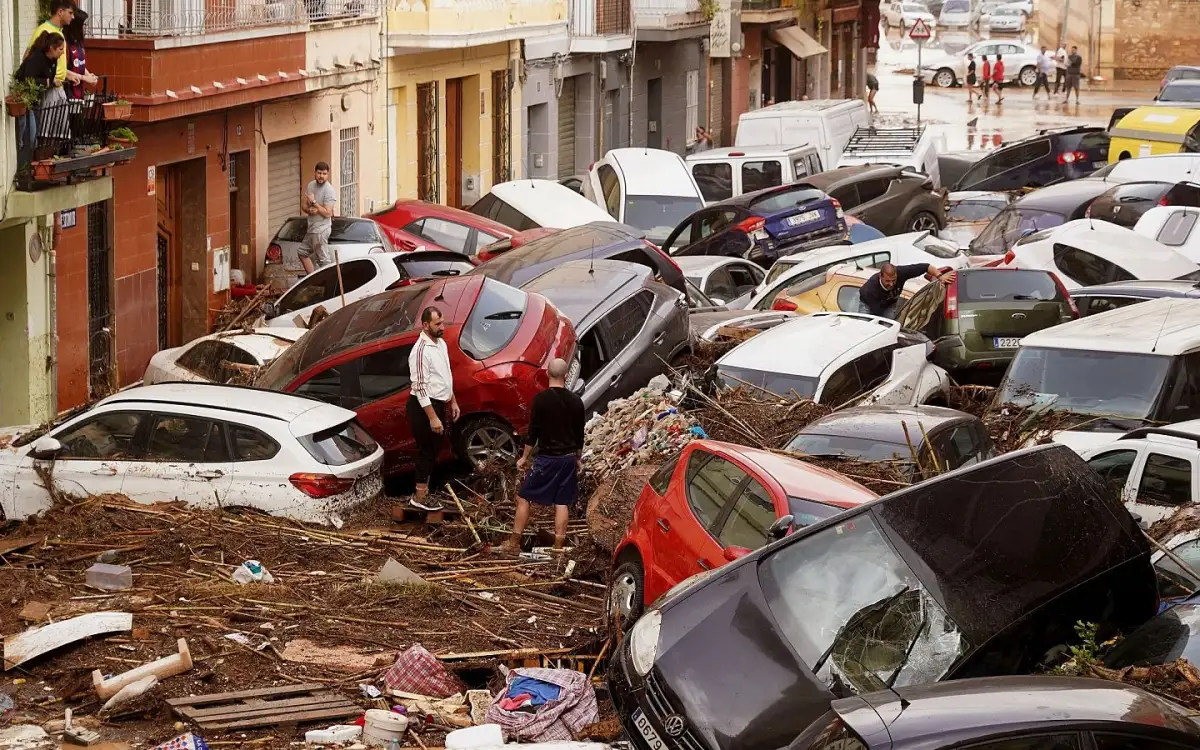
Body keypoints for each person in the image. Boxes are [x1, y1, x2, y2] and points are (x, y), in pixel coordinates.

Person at [499, 358, 585, 554]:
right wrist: (578, 458)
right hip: (568, 459)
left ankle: (514, 542)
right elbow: (579, 434)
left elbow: (533, 433)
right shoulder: (576, 402)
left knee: (523, 497)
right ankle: (558, 547)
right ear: (566, 375)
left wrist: (524, 457)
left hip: (547, 459)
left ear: (548, 374)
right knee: (562, 502)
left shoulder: (541, 400)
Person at [406, 306, 459, 512]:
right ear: (425, 325)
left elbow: (446, 375)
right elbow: (419, 387)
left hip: (439, 403)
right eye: (438, 324)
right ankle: (419, 497)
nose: (442, 327)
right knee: (426, 451)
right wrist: (432, 417)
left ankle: (427, 491)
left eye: (442, 322)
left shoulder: (441, 344)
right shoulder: (420, 351)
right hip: (424, 407)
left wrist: (452, 400)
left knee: (436, 449)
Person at [14, 31, 67, 166]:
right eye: (60, 49)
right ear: (51, 48)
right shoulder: (36, 58)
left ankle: (27, 167)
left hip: (38, 100)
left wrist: (52, 81)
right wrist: (48, 82)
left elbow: (49, 76)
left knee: (35, 137)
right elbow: (28, 78)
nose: (62, 53)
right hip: (26, 99)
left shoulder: (53, 60)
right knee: (29, 137)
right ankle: (22, 170)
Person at [858, 263, 955, 318]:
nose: (891, 284)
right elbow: (877, 315)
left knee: (889, 328)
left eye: (894, 280)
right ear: (880, 276)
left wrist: (940, 276)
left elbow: (926, 267)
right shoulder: (871, 289)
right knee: (866, 328)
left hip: (890, 303)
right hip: (868, 304)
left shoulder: (902, 272)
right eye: (887, 281)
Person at [299, 162, 337, 274]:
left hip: (321, 230)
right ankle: (312, 279)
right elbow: (304, 205)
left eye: (324, 174)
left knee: (324, 261)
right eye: (319, 173)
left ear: (328, 175)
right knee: (302, 252)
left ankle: (328, 285)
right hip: (311, 228)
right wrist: (308, 210)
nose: (321, 176)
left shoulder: (329, 190)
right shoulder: (311, 185)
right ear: (315, 173)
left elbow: (328, 213)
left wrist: (314, 203)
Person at [27, 0, 74, 88]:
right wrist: (45, 81)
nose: (73, 17)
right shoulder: (43, 30)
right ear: (60, 12)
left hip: (59, 87)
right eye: (70, 13)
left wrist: (72, 75)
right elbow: (28, 58)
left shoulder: (59, 31)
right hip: (48, 88)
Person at [63, 8, 99, 102]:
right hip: (68, 93)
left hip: (79, 93)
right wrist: (85, 78)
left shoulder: (79, 42)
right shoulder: (64, 43)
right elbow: (63, 69)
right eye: (83, 24)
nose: (85, 27)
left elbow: (79, 63)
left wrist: (90, 76)